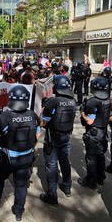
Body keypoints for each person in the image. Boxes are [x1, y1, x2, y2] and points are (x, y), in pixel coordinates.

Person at [0, 85, 40, 221]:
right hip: (27, 157)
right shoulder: (32, 115)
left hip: (7, 158)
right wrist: (30, 148)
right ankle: (18, 212)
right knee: (21, 185)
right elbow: (38, 135)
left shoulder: (5, 117)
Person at [39, 76, 76, 206]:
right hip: (66, 137)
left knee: (52, 165)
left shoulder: (53, 102)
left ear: (57, 87)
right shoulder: (73, 101)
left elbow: (43, 123)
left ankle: (52, 196)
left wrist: (43, 111)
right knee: (65, 162)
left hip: (53, 139)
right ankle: (67, 187)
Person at [79, 76, 111, 189]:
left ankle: (91, 181)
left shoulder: (93, 101)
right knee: (100, 155)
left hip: (94, 133)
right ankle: (100, 177)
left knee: (91, 157)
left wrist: (82, 112)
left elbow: (89, 120)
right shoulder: (107, 99)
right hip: (103, 132)